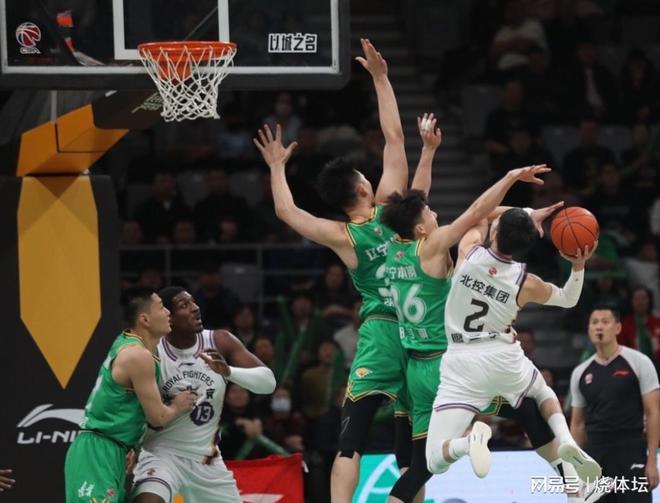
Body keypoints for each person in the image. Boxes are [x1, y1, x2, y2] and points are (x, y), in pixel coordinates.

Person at [253, 38, 426, 503]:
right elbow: (394, 138)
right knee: (410, 447)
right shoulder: (393, 210)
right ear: (365, 187)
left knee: (351, 442)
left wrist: (277, 167)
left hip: (379, 334)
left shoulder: (343, 237)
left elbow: (287, 212)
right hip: (419, 331)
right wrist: (381, 78)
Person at [382, 169, 591, 502]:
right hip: (481, 355)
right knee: (537, 397)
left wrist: (428, 153)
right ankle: (568, 452)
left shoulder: (457, 251)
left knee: (428, 460)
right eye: (430, 212)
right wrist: (524, 206)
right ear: (421, 228)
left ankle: (470, 445)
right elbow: (480, 211)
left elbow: (479, 215)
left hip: (440, 361)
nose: (436, 214)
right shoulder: (518, 278)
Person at [425, 207, 601, 486]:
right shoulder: (525, 281)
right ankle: (567, 440)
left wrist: (528, 212)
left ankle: (468, 443)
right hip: (503, 356)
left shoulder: (469, 251)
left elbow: (480, 212)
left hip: (461, 362)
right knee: (542, 391)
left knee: (434, 458)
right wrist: (578, 266)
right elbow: (568, 298)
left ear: (495, 232)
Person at [131, 286, 276, 503]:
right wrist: (130, 446)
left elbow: (269, 383)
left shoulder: (220, 341)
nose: (195, 308)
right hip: (162, 454)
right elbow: (132, 409)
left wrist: (229, 372)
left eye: (193, 302)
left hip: (207, 460)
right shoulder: (151, 352)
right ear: (168, 317)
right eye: (184, 305)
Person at [64, 289, 196, 503]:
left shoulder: (131, 343)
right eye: (161, 307)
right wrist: (178, 406)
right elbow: (158, 417)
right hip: (97, 452)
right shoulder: (137, 355)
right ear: (145, 319)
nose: (167, 312)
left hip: (114, 450)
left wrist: (132, 445)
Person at [570, 306, 660, 502]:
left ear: (618, 328)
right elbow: (577, 424)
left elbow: (653, 412)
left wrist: (652, 460)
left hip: (631, 451)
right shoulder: (580, 372)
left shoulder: (639, 362)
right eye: (594, 322)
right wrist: (576, 468)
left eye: (605, 322)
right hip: (595, 456)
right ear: (589, 330)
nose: (599, 327)